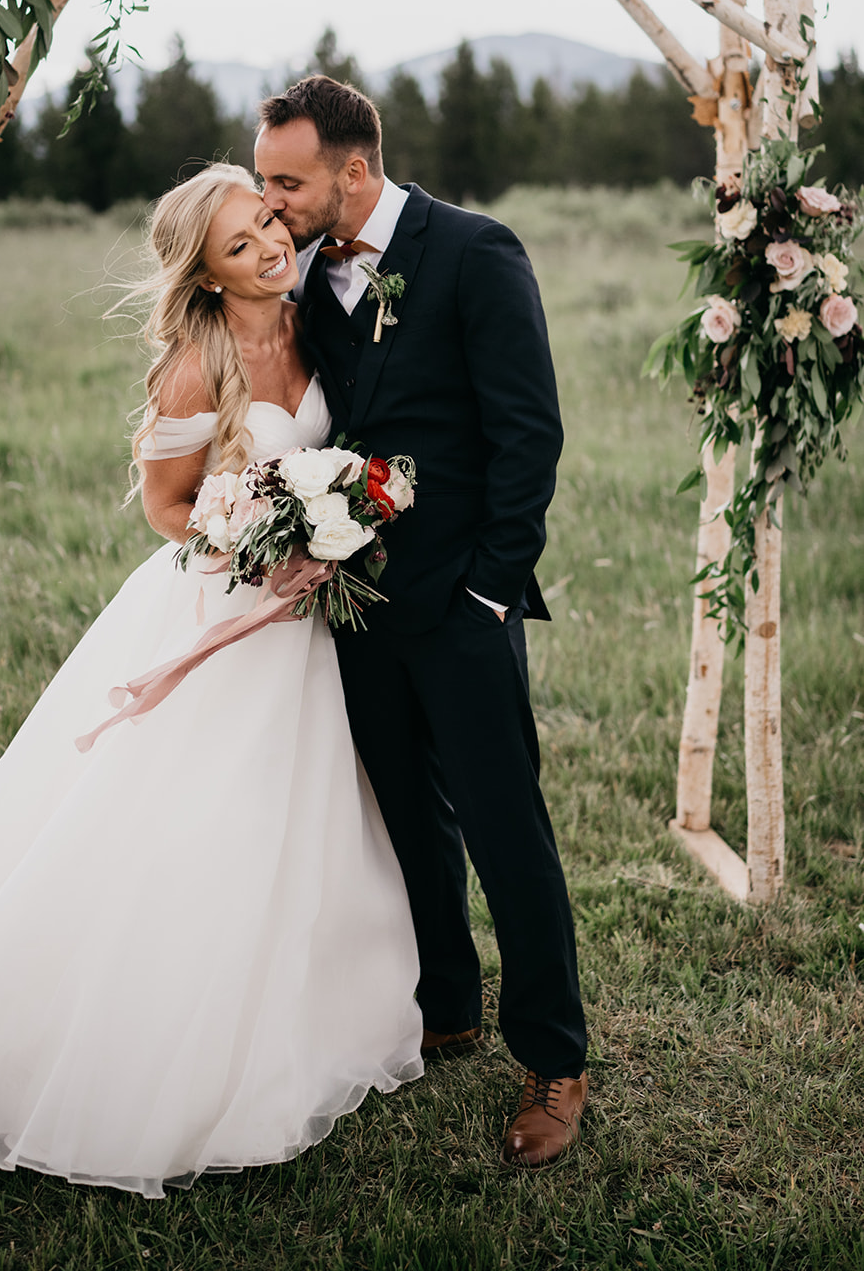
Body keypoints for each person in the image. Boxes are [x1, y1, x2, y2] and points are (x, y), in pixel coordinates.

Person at [0, 163, 422, 1197]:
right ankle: (138, 1043)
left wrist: (333, 529)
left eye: (267, 218)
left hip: (302, 624)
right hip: (219, 607)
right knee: (189, 821)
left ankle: (300, 1009)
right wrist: (254, 548)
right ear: (209, 274)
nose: (269, 242)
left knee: (296, 815)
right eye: (239, 243)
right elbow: (169, 506)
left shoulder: (318, 322)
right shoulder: (194, 366)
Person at [254, 77, 589, 1168]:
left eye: (288, 182)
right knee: (408, 818)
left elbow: (526, 433)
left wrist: (493, 588)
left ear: (355, 171)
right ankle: (446, 1002)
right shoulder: (300, 272)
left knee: (505, 828)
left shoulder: (476, 252)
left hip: (463, 603)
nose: (274, 201)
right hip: (356, 611)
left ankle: (554, 1055)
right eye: (267, 181)